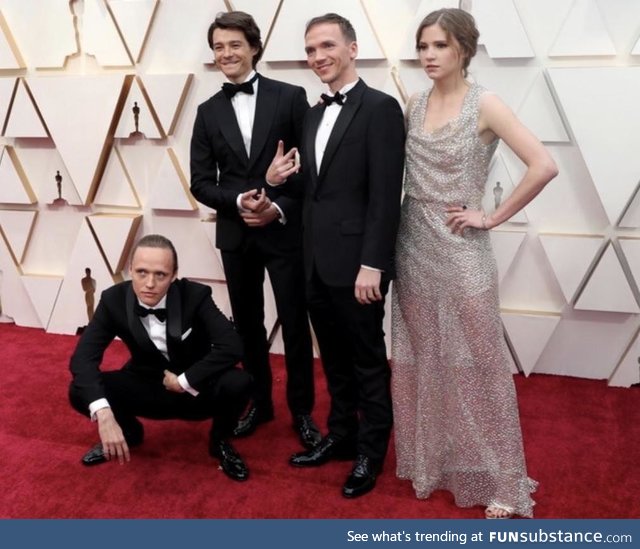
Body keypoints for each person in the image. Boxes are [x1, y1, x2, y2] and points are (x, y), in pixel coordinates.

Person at [391, 8, 558, 518]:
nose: (428, 56)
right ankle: (434, 463)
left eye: (439, 46)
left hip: (462, 248)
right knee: (422, 359)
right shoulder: (414, 105)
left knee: (482, 365)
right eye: (422, 47)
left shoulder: (485, 103)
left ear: (463, 47)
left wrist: (492, 216)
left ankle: (506, 482)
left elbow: (544, 164)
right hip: (412, 244)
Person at [281, 13, 405, 498]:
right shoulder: (311, 113)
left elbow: (384, 195)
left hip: (359, 266)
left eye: (327, 46)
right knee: (332, 360)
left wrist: (373, 263)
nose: (318, 57)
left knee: (367, 361)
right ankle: (341, 436)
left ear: (353, 49)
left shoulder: (380, 108)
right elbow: (318, 191)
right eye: (310, 50)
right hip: (314, 261)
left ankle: (371, 456)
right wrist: (277, 183)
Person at [190, 11, 320, 450]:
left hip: (284, 233)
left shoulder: (290, 97)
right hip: (236, 234)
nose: (226, 53)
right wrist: (239, 201)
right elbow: (201, 181)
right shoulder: (207, 113)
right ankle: (259, 404)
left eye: (234, 45)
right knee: (247, 326)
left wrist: (276, 207)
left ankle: (302, 411)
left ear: (254, 48)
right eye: (219, 47)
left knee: (296, 324)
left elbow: (308, 171)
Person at [68, 234, 252, 482]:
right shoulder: (113, 300)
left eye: (160, 275)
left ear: (174, 274)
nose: (150, 283)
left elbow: (231, 346)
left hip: (195, 390)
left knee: (239, 382)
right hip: (147, 385)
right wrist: (104, 414)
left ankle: (219, 440)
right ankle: (130, 433)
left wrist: (184, 381)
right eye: (142, 272)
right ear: (130, 269)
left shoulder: (196, 296)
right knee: (80, 391)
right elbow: (82, 359)